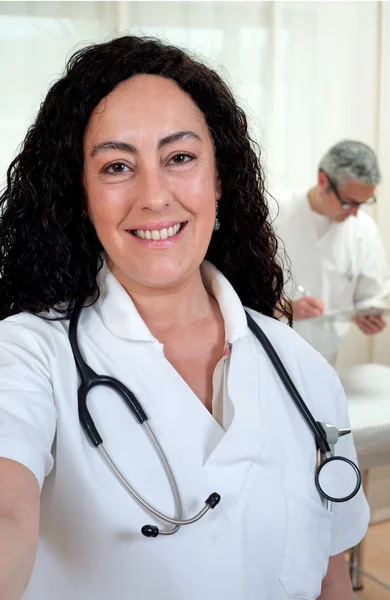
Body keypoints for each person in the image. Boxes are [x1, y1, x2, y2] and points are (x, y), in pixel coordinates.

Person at [0, 36, 368, 600]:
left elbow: (331, 579)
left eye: (180, 158)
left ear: (219, 178)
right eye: (117, 166)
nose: (154, 196)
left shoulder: (302, 369)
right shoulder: (27, 355)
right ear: (81, 195)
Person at [274, 140, 390, 365]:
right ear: (323, 181)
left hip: (324, 360)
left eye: (363, 203)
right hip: (269, 353)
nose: (355, 213)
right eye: (348, 203)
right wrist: (282, 307)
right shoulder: (272, 213)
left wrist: (370, 316)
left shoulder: (364, 231)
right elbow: (237, 290)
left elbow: (371, 295)